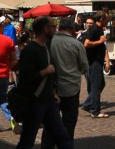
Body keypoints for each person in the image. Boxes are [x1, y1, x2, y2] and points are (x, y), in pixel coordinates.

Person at [15, 17, 73, 149]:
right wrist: (45, 71)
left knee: (62, 135)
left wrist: (53, 92)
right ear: (45, 29)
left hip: (48, 100)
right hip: (34, 101)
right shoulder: (30, 50)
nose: (55, 29)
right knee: (27, 139)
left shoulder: (46, 47)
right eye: (53, 26)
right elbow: (25, 78)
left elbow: (48, 77)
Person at [40, 17, 88, 148]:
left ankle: (47, 146)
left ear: (59, 28)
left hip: (51, 87)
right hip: (71, 87)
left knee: (50, 122)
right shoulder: (76, 44)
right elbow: (84, 66)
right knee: (69, 122)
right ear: (72, 29)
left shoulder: (49, 42)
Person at [79, 13, 110, 118]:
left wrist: (106, 60)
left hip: (98, 61)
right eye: (107, 19)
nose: (108, 20)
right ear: (101, 19)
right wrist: (100, 41)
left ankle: (88, 104)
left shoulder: (99, 29)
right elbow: (86, 44)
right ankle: (95, 111)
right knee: (96, 86)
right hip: (94, 62)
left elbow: (103, 47)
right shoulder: (94, 29)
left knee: (100, 84)